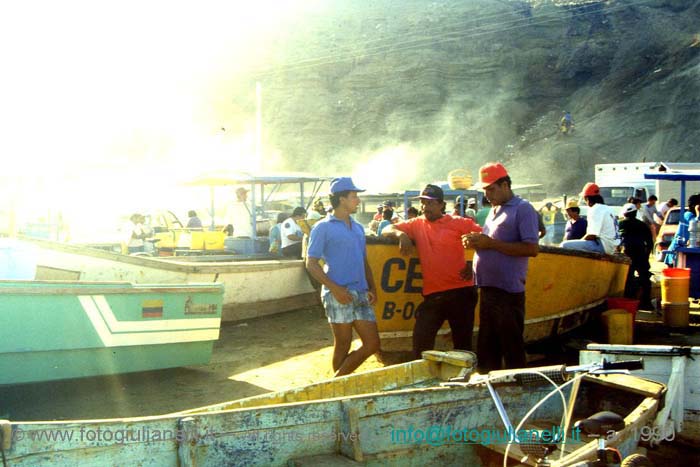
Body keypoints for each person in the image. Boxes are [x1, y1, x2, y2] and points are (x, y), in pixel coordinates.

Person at [383, 184, 482, 359]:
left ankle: (463, 382)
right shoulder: (416, 224)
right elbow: (386, 229)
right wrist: (401, 235)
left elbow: (486, 239)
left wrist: (471, 263)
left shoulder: (459, 222)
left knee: (463, 346)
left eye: (429, 203)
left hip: (462, 293)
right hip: (433, 295)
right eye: (422, 203)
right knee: (421, 343)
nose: (424, 207)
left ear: (441, 205)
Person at [462, 162, 539, 372]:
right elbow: (491, 242)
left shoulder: (523, 209)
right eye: (485, 190)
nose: (487, 195)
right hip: (488, 288)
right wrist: (476, 247)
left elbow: (532, 248)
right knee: (487, 348)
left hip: (507, 292)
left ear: (505, 185)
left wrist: (490, 244)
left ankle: (519, 394)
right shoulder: (494, 209)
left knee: (511, 348)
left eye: (491, 189)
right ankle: (490, 391)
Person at [306, 177, 379, 376]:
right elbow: (311, 263)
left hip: (361, 292)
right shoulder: (323, 227)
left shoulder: (357, 227)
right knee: (343, 344)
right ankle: (338, 387)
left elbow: (363, 261)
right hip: (337, 293)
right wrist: (335, 289)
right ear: (341, 199)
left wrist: (372, 288)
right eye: (354, 196)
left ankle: (335, 382)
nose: (358, 200)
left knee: (372, 344)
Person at [560, 183, 619, 255]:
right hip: (611, 246)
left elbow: (591, 235)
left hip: (602, 245)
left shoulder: (595, 209)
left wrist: (579, 244)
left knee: (564, 245)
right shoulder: (608, 208)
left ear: (587, 198)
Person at [618, 203, 654, 310]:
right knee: (644, 278)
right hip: (641, 254)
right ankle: (646, 303)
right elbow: (650, 243)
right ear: (635, 213)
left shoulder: (621, 224)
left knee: (628, 278)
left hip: (627, 254)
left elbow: (617, 241)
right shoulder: (642, 225)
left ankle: (629, 303)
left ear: (625, 213)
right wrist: (646, 255)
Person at [664, 193, 700, 266]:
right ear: (694, 205)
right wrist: (698, 211)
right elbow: (695, 224)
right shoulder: (688, 215)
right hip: (677, 251)